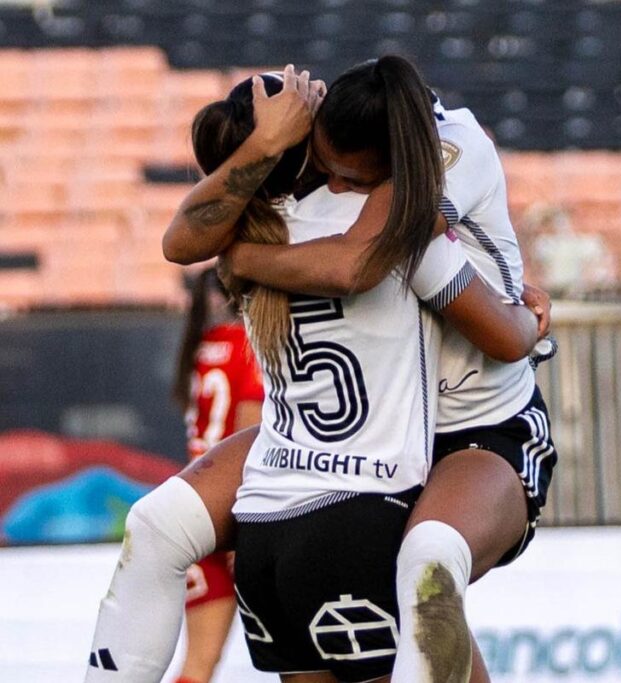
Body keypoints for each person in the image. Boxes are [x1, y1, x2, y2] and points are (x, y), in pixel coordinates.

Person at [85, 62, 548, 683]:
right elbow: (182, 242)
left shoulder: (435, 170)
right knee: (157, 524)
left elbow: (355, 265)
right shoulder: (309, 204)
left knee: (430, 556)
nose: (330, 180)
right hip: (339, 448)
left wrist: (242, 257)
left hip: (474, 430)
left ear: (387, 156)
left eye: (345, 171)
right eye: (321, 163)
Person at [171, 267, 263, 683]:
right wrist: (244, 524)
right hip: (235, 513)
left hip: (193, 508)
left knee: (198, 665)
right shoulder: (250, 345)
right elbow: (249, 439)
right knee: (306, 659)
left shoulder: (200, 347)